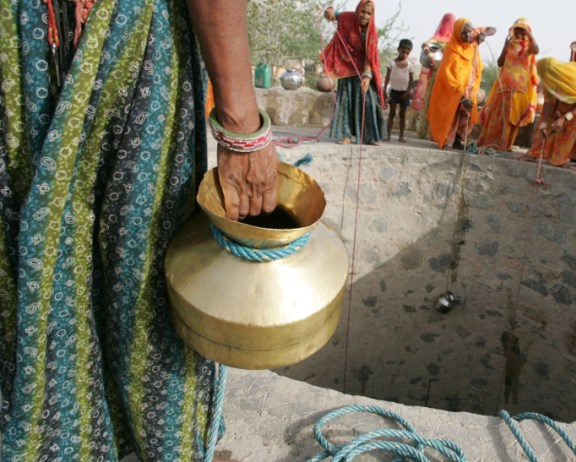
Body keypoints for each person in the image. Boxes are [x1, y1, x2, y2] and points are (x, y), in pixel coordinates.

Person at [0, 0, 278, 460]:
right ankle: (158, 436)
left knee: (45, 246)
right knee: (142, 265)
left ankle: (65, 438)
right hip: (127, 39)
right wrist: (243, 130)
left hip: (22, 43)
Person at [322, 0, 385, 145]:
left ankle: (369, 137)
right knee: (346, 101)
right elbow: (332, 14)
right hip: (346, 67)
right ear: (358, 10)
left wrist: (367, 76)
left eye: (369, 13)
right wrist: (329, 12)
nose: (365, 16)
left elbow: (370, 56)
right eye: (363, 11)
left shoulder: (371, 32)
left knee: (368, 101)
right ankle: (346, 135)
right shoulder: (347, 17)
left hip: (363, 69)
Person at [427, 18, 494, 150]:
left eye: (469, 32)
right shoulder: (452, 49)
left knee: (466, 115)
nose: (467, 35)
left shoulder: (473, 44)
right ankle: (445, 141)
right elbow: (448, 77)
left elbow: (492, 29)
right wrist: (462, 97)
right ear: (458, 32)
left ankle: (458, 140)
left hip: (468, 89)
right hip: (452, 90)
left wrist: (483, 35)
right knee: (451, 114)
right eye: (464, 33)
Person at [477, 18, 539, 152]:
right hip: (503, 86)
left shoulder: (529, 46)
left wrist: (530, 35)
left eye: (523, 30)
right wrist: (505, 48)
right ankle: (489, 142)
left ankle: (504, 145)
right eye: (518, 30)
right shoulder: (510, 44)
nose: (520, 33)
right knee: (496, 116)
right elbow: (500, 63)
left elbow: (536, 50)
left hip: (519, 88)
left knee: (512, 118)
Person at [521, 58, 576, 167]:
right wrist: (544, 125)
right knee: (546, 123)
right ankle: (534, 153)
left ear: (551, 73)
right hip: (564, 95)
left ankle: (558, 159)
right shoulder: (549, 78)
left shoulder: (571, 78)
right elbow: (547, 103)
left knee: (569, 128)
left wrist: (564, 118)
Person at [413, 13, 457, 140]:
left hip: (448, 77)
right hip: (436, 76)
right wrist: (430, 55)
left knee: (442, 105)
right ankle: (425, 131)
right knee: (431, 103)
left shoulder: (454, 41)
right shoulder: (436, 38)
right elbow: (424, 45)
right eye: (447, 22)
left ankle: (437, 133)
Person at [384, 39, 415, 142]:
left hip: (404, 93)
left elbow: (411, 81)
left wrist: (407, 93)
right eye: (403, 52)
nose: (405, 54)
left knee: (402, 115)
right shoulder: (392, 62)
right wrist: (384, 89)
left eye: (407, 53)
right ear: (398, 50)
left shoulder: (410, 65)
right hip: (394, 91)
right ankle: (387, 135)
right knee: (391, 114)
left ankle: (401, 136)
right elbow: (387, 77)